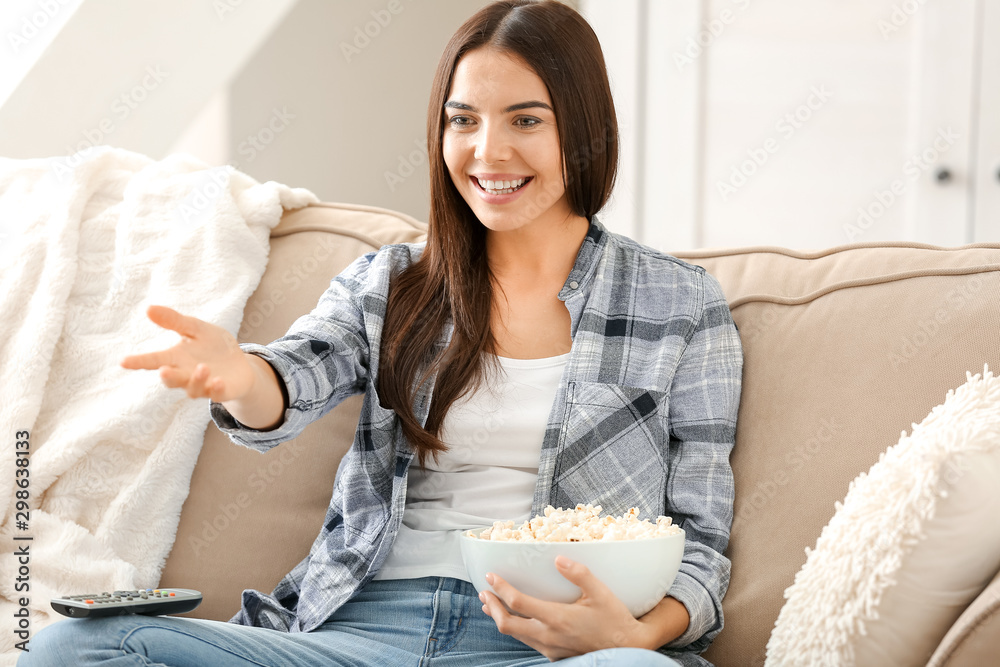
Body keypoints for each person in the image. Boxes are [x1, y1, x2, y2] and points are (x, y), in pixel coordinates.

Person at [20, 1, 742, 665]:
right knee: (70, 649)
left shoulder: (681, 305)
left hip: (550, 646)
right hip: (361, 631)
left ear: (582, 130)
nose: (488, 152)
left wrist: (633, 634)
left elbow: (702, 539)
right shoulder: (391, 283)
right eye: (464, 120)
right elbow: (297, 373)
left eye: (526, 120)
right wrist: (244, 378)